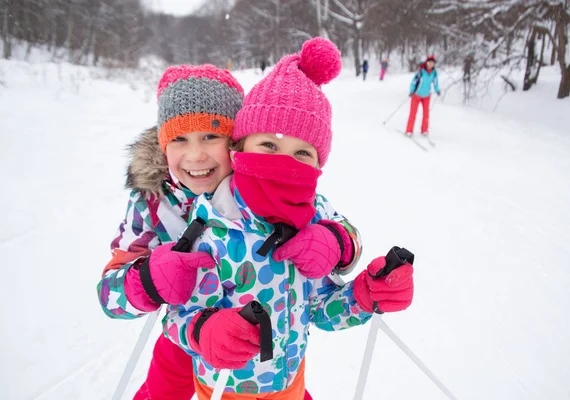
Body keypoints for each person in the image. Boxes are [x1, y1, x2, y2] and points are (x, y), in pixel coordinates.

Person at [161, 37, 414, 399]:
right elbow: (176, 318)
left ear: (317, 163)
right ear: (240, 148)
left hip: (290, 381)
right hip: (226, 388)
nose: (283, 162)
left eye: (301, 153)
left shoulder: (315, 212)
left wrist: (365, 293)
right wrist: (205, 331)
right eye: (269, 146)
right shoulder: (212, 227)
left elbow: (320, 309)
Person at [97, 64, 245, 400]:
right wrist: (145, 280)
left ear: (235, 140)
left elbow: (327, 228)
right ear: (164, 144)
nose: (195, 155)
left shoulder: (259, 189)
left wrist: (341, 244)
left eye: (210, 135)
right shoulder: (154, 201)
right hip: (183, 339)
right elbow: (108, 294)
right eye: (179, 139)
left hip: (258, 344)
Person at [405, 55, 441, 137]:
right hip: (416, 95)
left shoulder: (434, 73)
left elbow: (436, 83)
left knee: (426, 114)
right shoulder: (421, 71)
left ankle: (424, 130)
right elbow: (414, 82)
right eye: (429, 62)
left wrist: (437, 90)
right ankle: (409, 130)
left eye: (433, 63)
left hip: (426, 96)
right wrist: (412, 91)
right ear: (427, 62)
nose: (431, 64)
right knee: (413, 113)